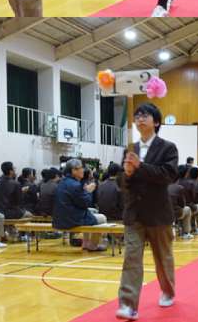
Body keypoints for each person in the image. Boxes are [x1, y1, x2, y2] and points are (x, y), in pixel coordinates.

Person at [117, 103, 178, 320]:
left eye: (145, 115)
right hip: (134, 213)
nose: (140, 118)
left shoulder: (168, 148)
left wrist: (140, 167)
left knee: (163, 258)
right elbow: (122, 183)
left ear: (156, 121)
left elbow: (168, 175)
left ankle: (168, 291)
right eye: (137, 116)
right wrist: (127, 174)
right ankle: (128, 304)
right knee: (131, 258)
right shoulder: (130, 149)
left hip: (158, 213)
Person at [52, 159, 107, 251]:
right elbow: (85, 203)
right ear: (74, 170)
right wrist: (88, 191)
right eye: (81, 168)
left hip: (60, 218)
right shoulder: (75, 185)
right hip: (71, 219)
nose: (83, 170)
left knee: (91, 213)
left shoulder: (62, 182)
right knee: (102, 218)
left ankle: (85, 243)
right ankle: (93, 245)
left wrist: (84, 191)